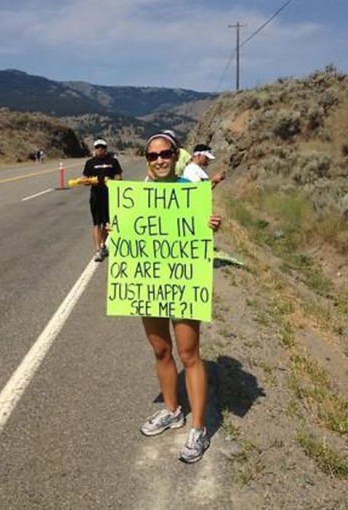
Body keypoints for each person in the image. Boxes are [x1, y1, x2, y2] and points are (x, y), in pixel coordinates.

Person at [139, 132, 221, 463]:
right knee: (160, 350)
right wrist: (118, 232)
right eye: (152, 155)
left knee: (189, 354)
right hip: (150, 281)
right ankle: (172, 411)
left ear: (177, 156)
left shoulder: (192, 192)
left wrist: (211, 225)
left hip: (183, 281)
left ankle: (198, 427)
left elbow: (203, 228)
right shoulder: (137, 195)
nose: (159, 159)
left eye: (165, 153)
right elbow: (129, 233)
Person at [83, 138, 123, 261]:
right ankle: (98, 249)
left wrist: (111, 182)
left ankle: (104, 245)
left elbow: (119, 177)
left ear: (106, 148)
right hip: (96, 196)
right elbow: (85, 180)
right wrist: (90, 181)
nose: (100, 149)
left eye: (103, 147)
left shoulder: (113, 161)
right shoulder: (90, 162)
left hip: (109, 196)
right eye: (98, 147)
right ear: (95, 149)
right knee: (96, 223)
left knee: (108, 223)